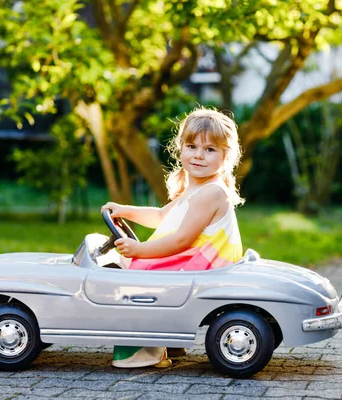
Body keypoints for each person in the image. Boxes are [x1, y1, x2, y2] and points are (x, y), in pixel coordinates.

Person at [101, 107, 244, 368]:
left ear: (226, 157)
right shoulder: (195, 188)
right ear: (181, 149)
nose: (199, 155)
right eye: (192, 146)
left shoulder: (211, 193)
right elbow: (160, 216)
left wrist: (139, 250)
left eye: (210, 150)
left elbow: (181, 241)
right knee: (137, 267)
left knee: (135, 276)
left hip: (205, 269)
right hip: (196, 263)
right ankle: (169, 340)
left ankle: (144, 351)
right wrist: (125, 211)